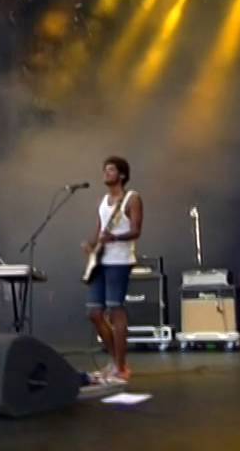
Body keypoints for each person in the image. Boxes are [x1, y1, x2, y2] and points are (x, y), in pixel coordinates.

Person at [81, 156, 143, 385]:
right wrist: (91, 246)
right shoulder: (103, 201)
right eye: (105, 170)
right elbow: (100, 232)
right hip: (101, 262)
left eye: (111, 170)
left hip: (120, 261)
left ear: (122, 175)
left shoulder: (132, 198)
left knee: (116, 310)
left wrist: (115, 238)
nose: (106, 173)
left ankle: (121, 367)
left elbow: (136, 230)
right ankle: (115, 362)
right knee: (94, 313)